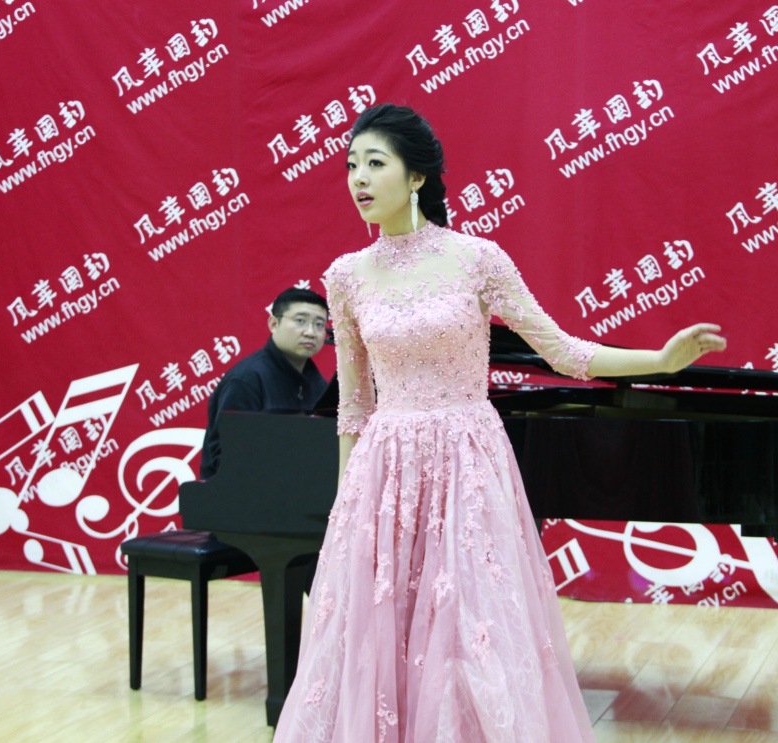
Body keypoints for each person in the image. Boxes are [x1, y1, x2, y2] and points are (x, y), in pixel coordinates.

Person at [272, 104, 726, 742]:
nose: (359, 179)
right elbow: (354, 406)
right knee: (381, 629)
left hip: (466, 463)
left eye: (375, 164)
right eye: (351, 166)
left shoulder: (477, 259)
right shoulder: (346, 277)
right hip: (384, 472)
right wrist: (346, 508)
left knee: (471, 627)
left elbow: (562, 351)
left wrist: (658, 360)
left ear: (417, 177)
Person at [199, 288, 329, 479]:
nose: (311, 332)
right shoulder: (246, 380)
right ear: (274, 323)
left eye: (319, 324)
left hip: (297, 489)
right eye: (300, 321)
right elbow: (228, 459)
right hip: (244, 491)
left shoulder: (317, 383)